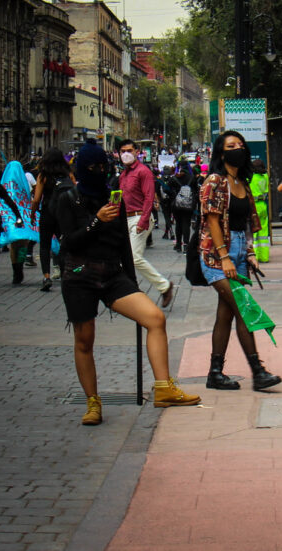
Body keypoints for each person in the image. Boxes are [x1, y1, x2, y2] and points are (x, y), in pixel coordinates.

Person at [53, 140, 199, 425]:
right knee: (84, 340)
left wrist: (132, 283)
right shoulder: (67, 199)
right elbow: (68, 242)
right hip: (79, 274)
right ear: (82, 169)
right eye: (92, 167)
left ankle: (163, 388)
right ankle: (93, 402)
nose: (98, 171)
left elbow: (122, 243)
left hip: (112, 273)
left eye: (101, 166)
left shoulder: (113, 197)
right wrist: (96, 221)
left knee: (154, 318)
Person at [198, 131, 282, 392]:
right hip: (215, 254)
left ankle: (215, 373)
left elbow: (245, 224)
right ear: (221, 153)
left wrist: (250, 253)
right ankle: (258, 371)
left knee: (226, 315)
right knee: (244, 309)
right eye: (231, 146)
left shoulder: (243, 183)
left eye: (240, 145)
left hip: (238, 253)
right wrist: (224, 257)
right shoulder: (214, 180)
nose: (238, 148)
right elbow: (212, 220)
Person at [117, 140, 175, 308]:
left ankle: (164, 286)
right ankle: (129, 292)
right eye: (122, 151)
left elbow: (149, 197)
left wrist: (143, 220)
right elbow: (119, 197)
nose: (126, 154)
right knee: (125, 258)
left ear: (137, 151)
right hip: (126, 218)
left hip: (139, 217)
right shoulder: (123, 175)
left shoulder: (143, 172)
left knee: (134, 257)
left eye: (129, 150)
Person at [29, 149, 73, 291]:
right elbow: (75, 192)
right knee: (63, 244)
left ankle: (46, 276)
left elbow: (36, 200)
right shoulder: (68, 174)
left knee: (45, 246)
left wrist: (32, 214)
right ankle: (65, 274)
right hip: (63, 213)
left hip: (47, 212)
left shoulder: (43, 176)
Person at [0, 161, 36, 284]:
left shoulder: (4, 184)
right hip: (21, 217)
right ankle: (19, 269)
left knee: (13, 246)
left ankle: (16, 270)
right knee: (22, 243)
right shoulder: (23, 183)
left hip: (8, 218)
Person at [168, 162, 197, 252]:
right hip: (188, 205)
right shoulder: (192, 178)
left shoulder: (174, 178)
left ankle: (178, 244)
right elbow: (196, 190)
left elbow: (166, 189)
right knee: (186, 223)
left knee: (178, 224)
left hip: (177, 205)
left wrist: (174, 195)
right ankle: (186, 245)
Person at [250, 159, 271, 262]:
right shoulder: (265, 177)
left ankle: (255, 255)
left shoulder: (252, 178)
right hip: (263, 205)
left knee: (254, 230)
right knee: (263, 231)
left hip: (254, 206)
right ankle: (264, 256)